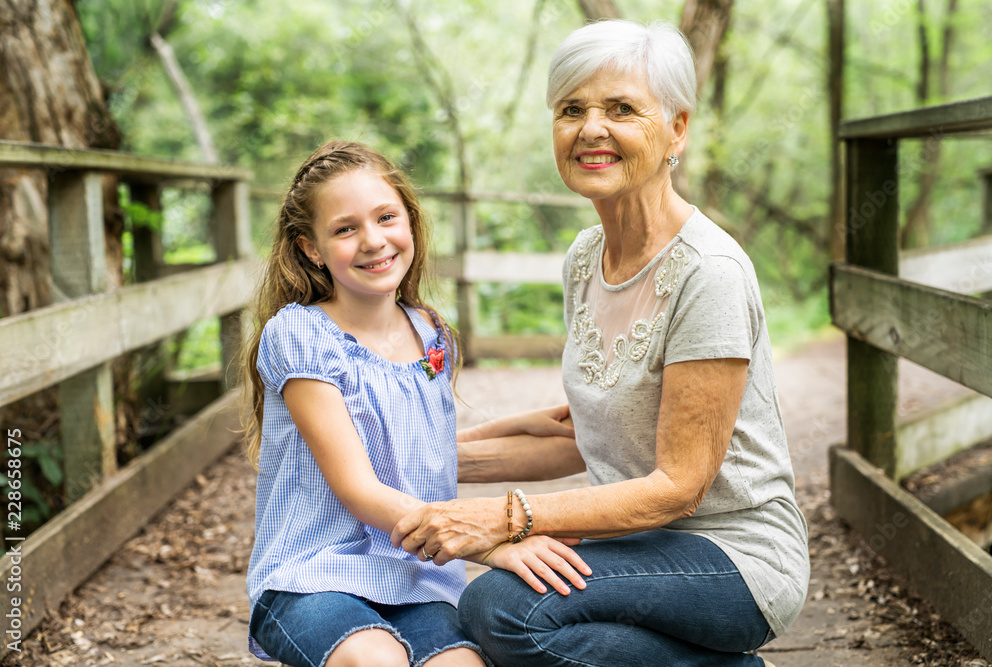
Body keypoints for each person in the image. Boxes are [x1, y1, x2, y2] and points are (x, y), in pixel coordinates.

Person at [390, 19, 809, 667]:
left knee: (501, 607)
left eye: (620, 109)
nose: (591, 129)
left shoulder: (709, 274)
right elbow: (583, 437)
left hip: (733, 555)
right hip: (635, 545)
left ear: (677, 129)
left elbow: (679, 488)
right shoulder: (586, 258)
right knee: (498, 602)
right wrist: (413, 459)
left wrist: (507, 517)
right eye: (571, 110)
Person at [241, 140, 592, 667]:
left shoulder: (430, 333)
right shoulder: (301, 335)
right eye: (345, 229)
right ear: (311, 248)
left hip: (418, 578)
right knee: (377, 659)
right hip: (315, 573)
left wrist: (513, 425)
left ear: (409, 220)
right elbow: (359, 488)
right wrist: (491, 544)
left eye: (386, 217)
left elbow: (409, 447)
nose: (373, 240)